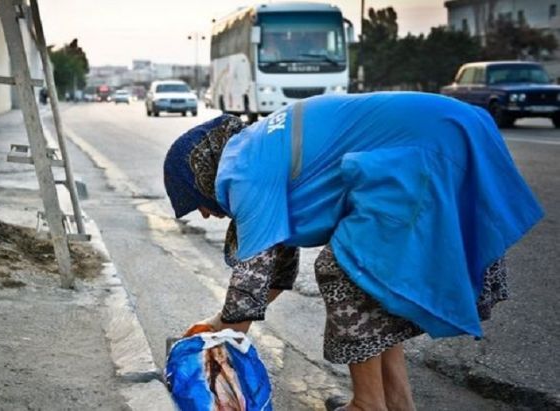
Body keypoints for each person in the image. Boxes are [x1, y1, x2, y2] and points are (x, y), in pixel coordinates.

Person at [163, 92, 543, 411]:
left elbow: (251, 287)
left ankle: (367, 404)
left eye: (194, 199)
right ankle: (396, 402)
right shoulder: (255, 148)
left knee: (347, 266)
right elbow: (274, 274)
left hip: (432, 144)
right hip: (450, 129)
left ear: (200, 174)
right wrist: (213, 325)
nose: (204, 212)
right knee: (373, 277)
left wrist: (207, 349)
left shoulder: (243, 169)